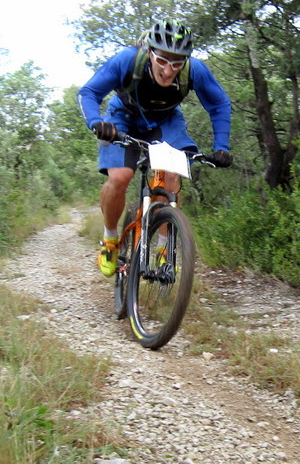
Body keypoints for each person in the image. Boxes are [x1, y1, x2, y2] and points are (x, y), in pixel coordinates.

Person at [78, 19, 233, 277]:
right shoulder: (128, 60)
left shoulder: (195, 70)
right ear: (149, 52)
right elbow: (89, 92)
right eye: (162, 60)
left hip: (165, 120)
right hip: (122, 117)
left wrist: (222, 147)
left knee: (171, 175)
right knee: (120, 177)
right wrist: (97, 123)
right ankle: (110, 239)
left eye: (177, 62)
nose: (169, 70)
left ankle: (163, 248)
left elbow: (219, 104)